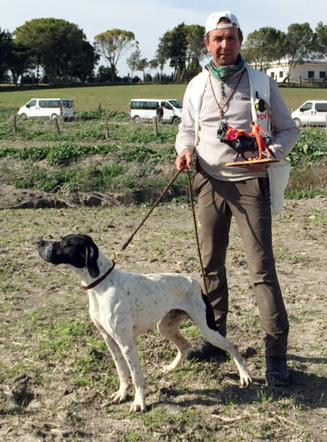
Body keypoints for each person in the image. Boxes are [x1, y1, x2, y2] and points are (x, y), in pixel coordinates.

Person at [175, 11, 299, 387]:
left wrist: (272, 152)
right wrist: (184, 151)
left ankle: (276, 355)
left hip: (250, 185)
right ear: (207, 44)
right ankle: (215, 339)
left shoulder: (262, 83)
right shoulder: (197, 85)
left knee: (262, 271)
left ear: (240, 41)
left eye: (231, 38)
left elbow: (289, 129)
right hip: (209, 183)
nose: (224, 45)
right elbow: (185, 129)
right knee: (210, 265)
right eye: (218, 39)